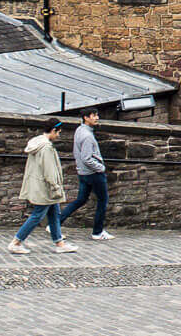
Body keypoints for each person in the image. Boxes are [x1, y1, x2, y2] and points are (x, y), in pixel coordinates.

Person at [8, 118, 77, 255]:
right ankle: (16, 242)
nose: (59, 135)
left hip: (40, 186)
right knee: (37, 215)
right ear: (53, 130)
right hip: (45, 189)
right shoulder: (46, 148)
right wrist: (56, 187)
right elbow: (49, 171)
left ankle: (59, 243)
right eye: (58, 132)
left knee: (54, 214)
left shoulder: (37, 144)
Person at [59, 108, 113, 240]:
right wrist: (101, 168)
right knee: (102, 201)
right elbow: (87, 158)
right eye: (94, 116)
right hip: (93, 174)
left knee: (81, 200)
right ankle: (97, 232)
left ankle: (55, 223)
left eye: (97, 115)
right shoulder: (88, 136)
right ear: (86, 118)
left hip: (83, 173)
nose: (97, 118)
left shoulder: (79, 130)